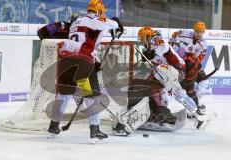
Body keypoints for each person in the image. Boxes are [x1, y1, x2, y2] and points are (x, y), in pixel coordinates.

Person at [46, 0, 124, 143]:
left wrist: (94, 62)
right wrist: (116, 22)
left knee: (63, 95)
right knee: (91, 97)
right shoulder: (94, 19)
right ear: (99, 11)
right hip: (81, 64)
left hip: (65, 63)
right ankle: (95, 131)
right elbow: (113, 24)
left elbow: (84, 41)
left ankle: (53, 126)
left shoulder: (76, 22)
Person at [112, 26, 187, 135]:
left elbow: (160, 51)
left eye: (143, 38)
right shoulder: (147, 49)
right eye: (140, 38)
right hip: (162, 74)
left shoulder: (158, 41)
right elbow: (149, 66)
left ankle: (156, 110)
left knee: (151, 79)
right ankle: (148, 112)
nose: (142, 41)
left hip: (176, 71)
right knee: (141, 85)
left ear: (149, 36)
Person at [170, 21, 210, 116]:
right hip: (179, 64)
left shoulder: (204, 44)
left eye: (201, 32)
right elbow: (173, 38)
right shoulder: (185, 33)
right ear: (194, 30)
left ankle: (195, 104)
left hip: (192, 64)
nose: (199, 34)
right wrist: (172, 42)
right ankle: (190, 105)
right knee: (182, 91)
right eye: (197, 31)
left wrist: (196, 64)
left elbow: (201, 57)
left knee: (204, 82)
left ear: (204, 32)